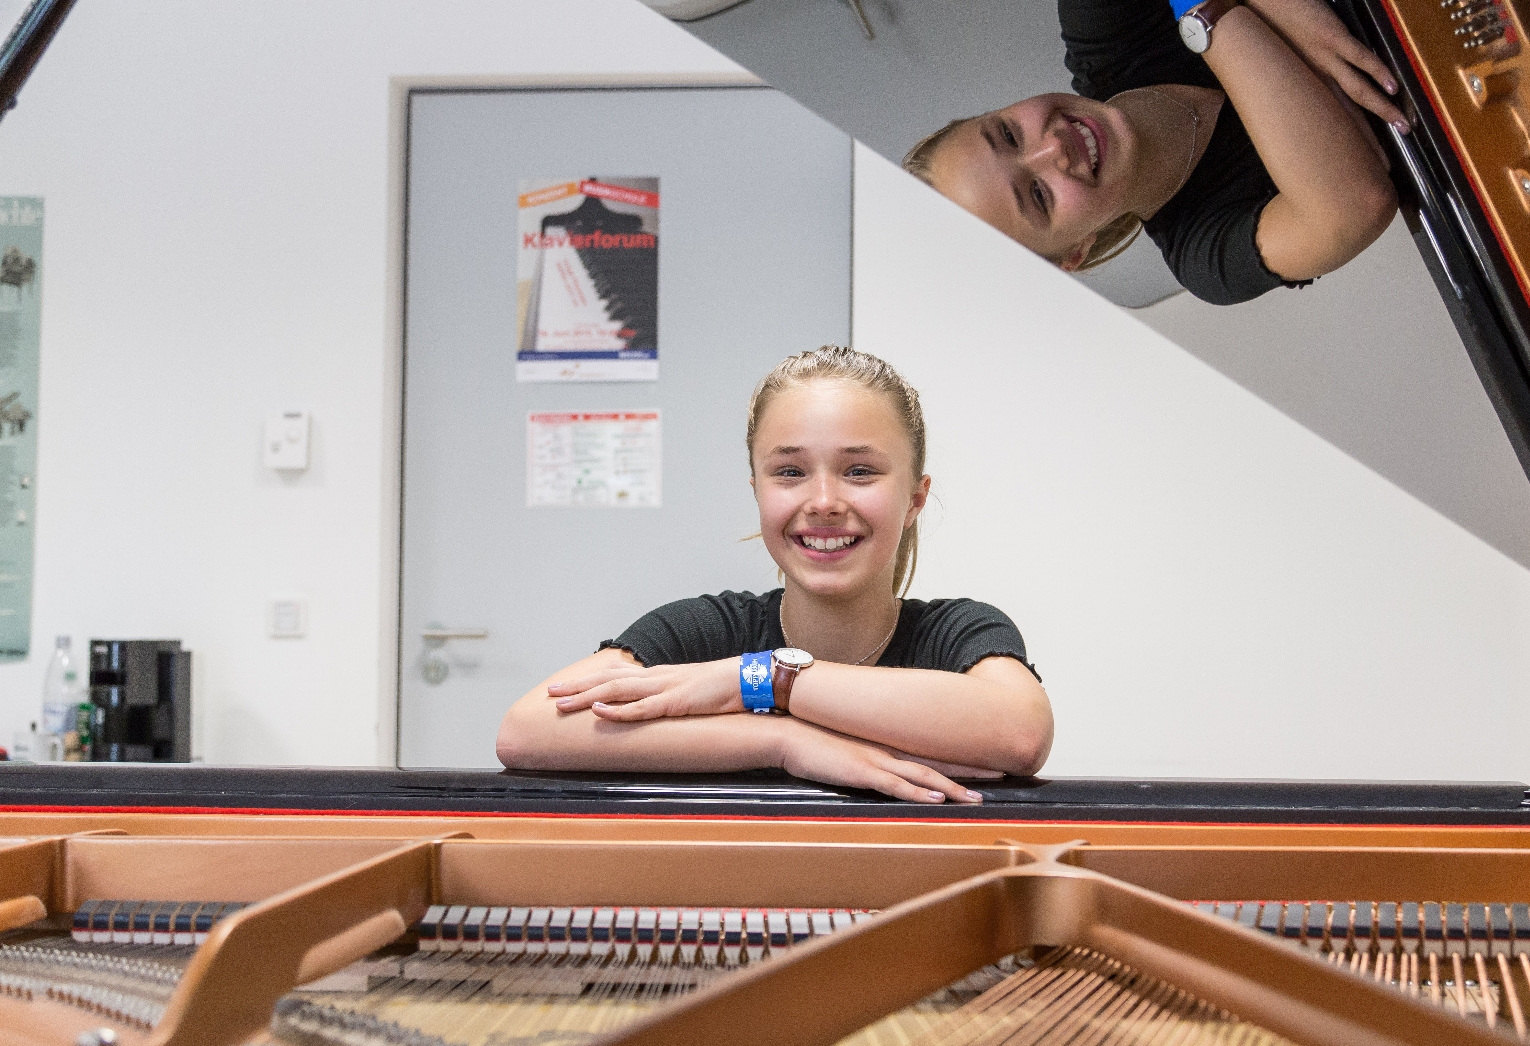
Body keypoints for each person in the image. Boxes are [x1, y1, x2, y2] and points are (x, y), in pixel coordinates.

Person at [496, 345, 1053, 803]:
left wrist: (765, 682)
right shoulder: (704, 631)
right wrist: (779, 737)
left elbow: (1020, 732)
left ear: (915, 499)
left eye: (860, 471)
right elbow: (527, 730)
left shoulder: (958, 632)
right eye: (789, 472)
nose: (825, 501)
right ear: (758, 492)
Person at [902, 0, 1403, 305]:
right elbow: (1353, 206)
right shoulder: (1207, 257)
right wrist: (1222, 13)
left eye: (1009, 135)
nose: (1054, 146)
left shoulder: (1098, 25)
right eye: (1037, 195)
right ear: (1075, 252)